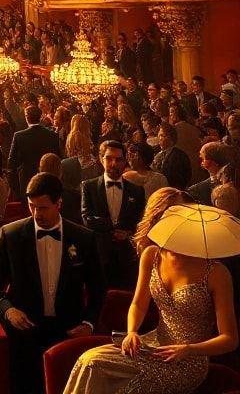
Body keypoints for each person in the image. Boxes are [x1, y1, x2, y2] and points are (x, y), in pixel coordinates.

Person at [63, 205, 239, 394]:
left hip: (188, 361)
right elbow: (138, 304)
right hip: (152, 345)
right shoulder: (152, 255)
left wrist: (188, 349)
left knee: (128, 390)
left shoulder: (216, 273)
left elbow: (229, 339)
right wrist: (132, 331)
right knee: (90, 361)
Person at [0, 172, 106, 394]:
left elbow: (98, 287)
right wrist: (8, 310)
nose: (36, 213)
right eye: (31, 206)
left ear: (59, 203)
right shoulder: (11, 235)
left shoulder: (83, 238)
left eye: (43, 208)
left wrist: (89, 323)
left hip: (68, 332)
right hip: (26, 330)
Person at [82, 139, 146, 290]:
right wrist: (112, 228)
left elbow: (141, 221)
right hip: (100, 254)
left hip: (127, 257)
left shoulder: (137, 191)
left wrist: (128, 234)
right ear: (100, 159)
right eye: (109, 158)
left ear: (125, 161)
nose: (113, 163)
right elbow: (86, 218)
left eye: (118, 159)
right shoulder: (88, 186)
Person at [8, 105, 61, 198]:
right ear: (40, 117)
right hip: (48, 179)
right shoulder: (52, 135)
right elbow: (58, 158)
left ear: (26, 117)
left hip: (26, 180)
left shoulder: (19, 136)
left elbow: (12, 163)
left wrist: (15, 186)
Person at [154, 123, 192, 190]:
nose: (160, 138)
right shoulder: (155, 152)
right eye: (159, 135)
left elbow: (184, 178)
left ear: (172, 138)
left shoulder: (180, 156)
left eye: (163, 135)